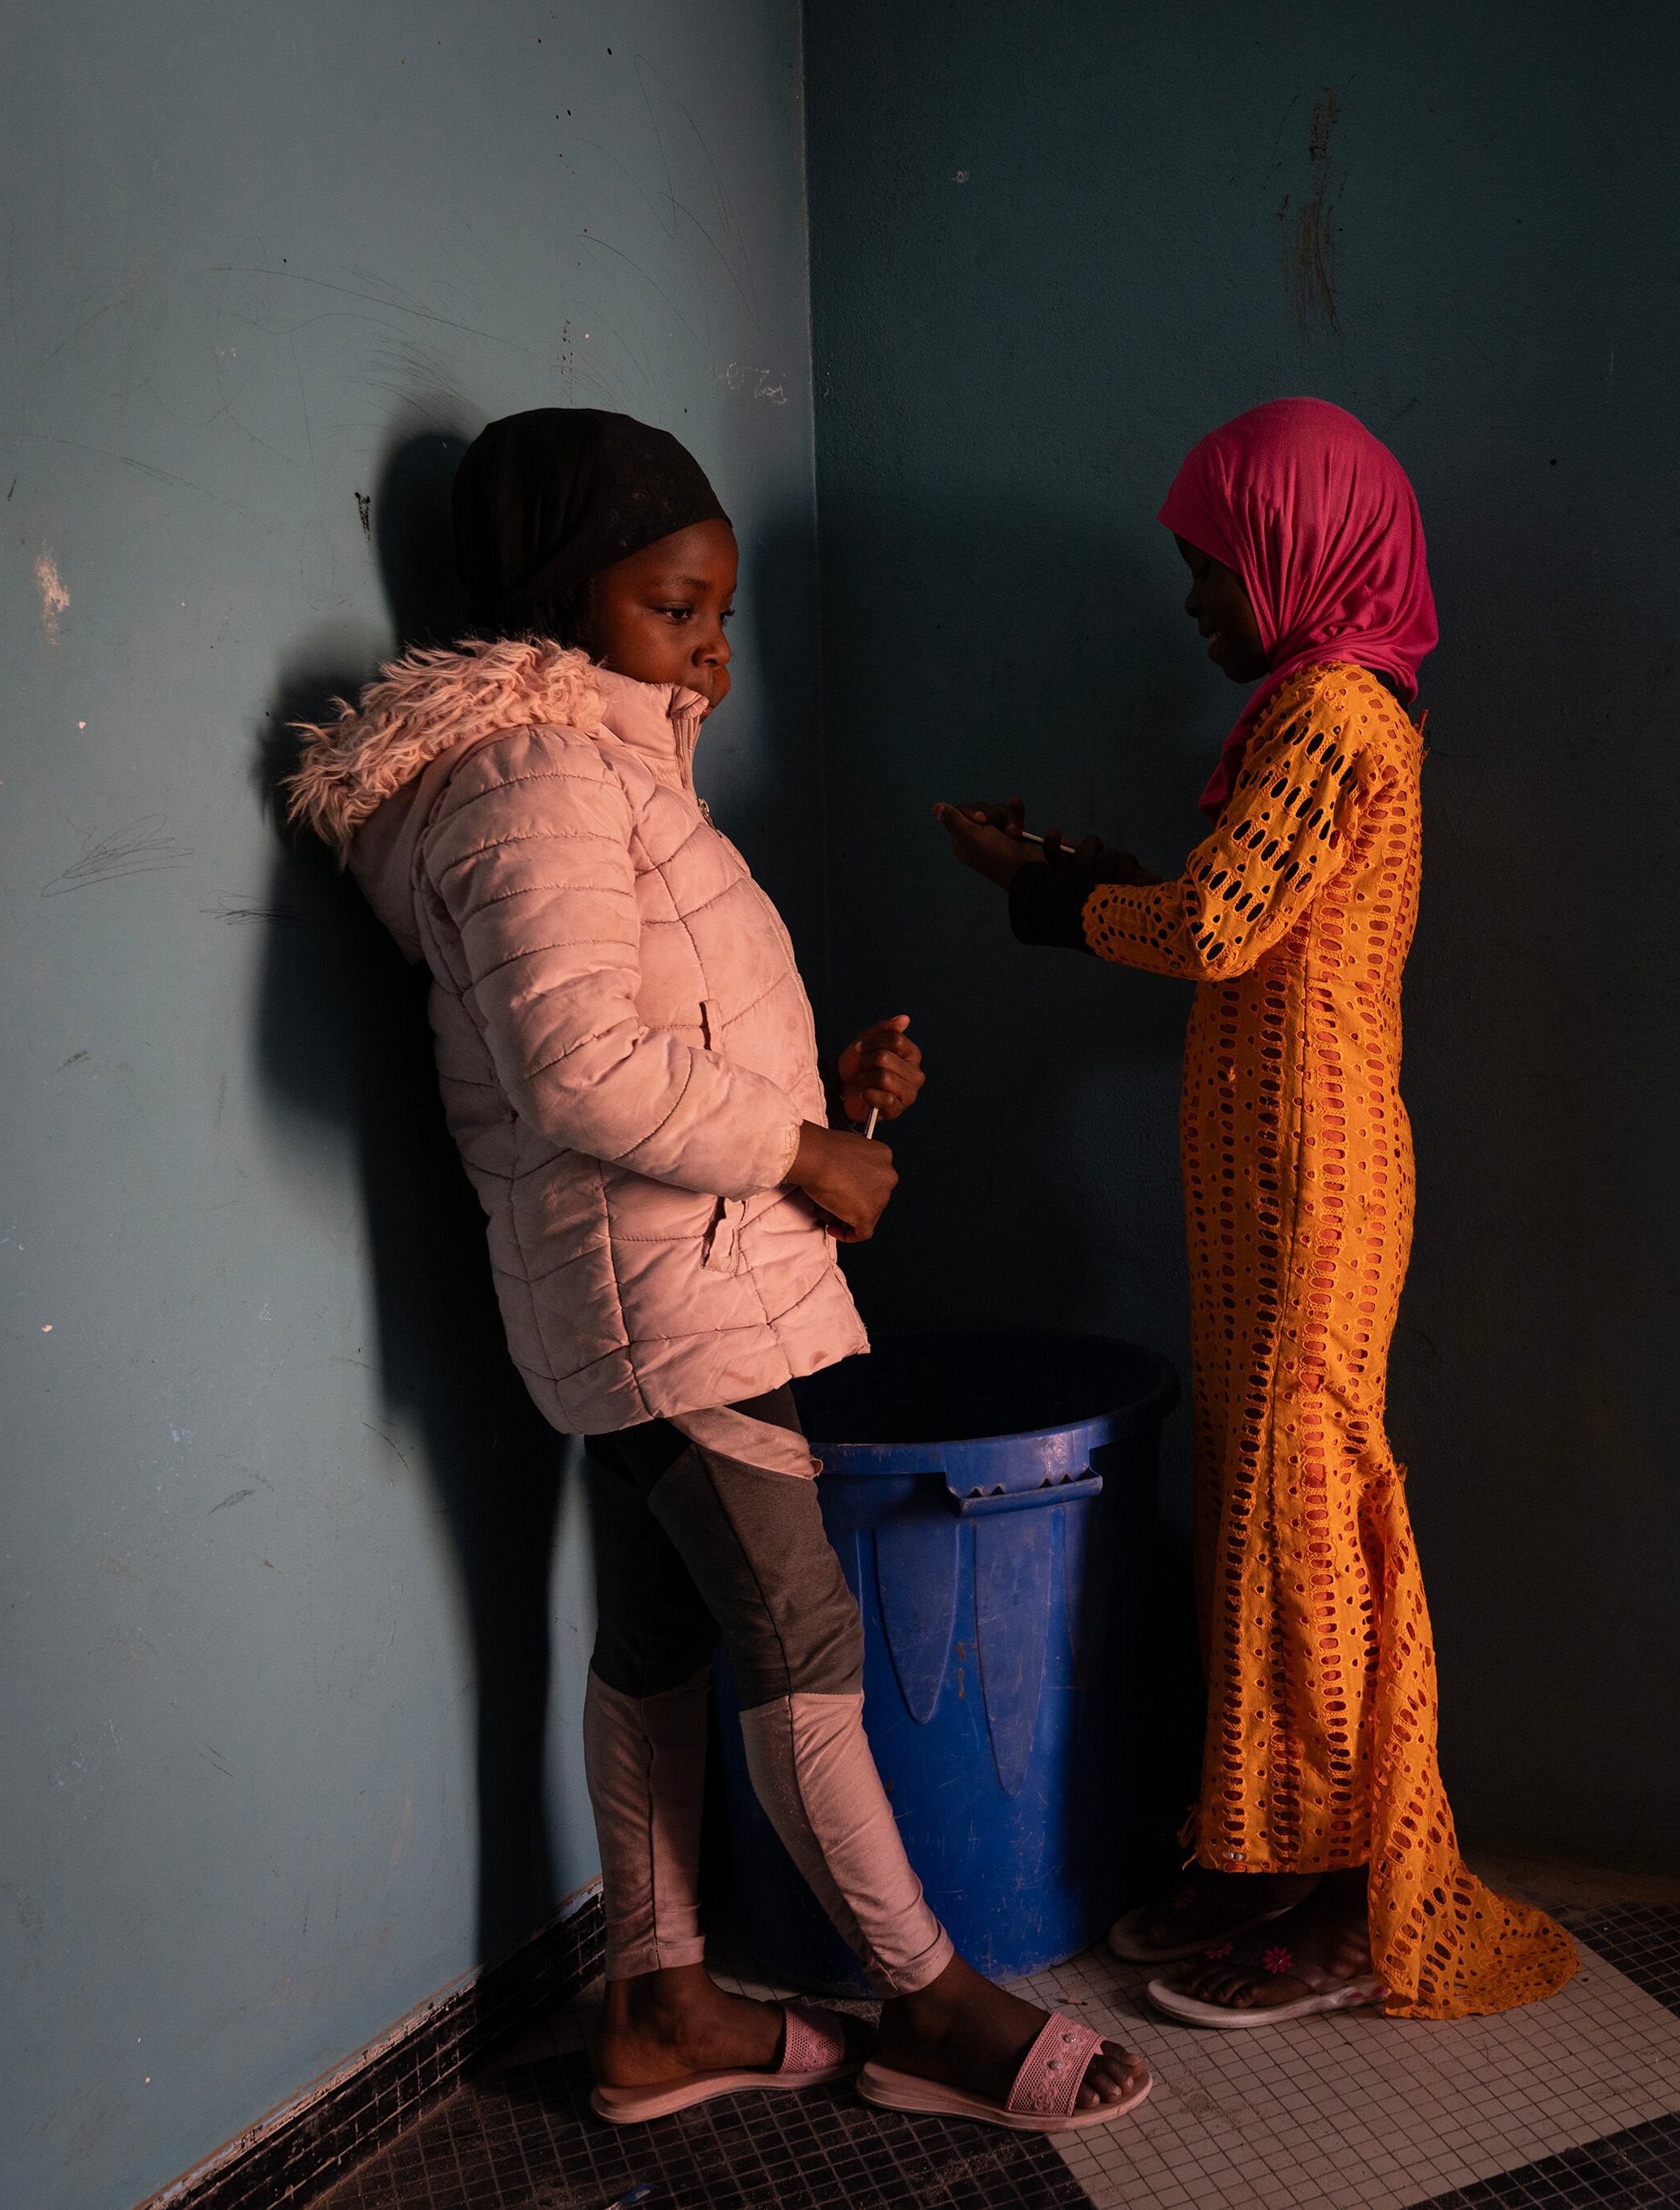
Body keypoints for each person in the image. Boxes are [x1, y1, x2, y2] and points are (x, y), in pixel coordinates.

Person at [285, 408, 1152, 2132]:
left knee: (661, 1635)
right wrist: (805, 1156)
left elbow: (637, 1038)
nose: (712, 646)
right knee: (798, 1635)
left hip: (677, 1276)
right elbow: (581, 1075)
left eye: (722, 610)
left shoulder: (603, 771)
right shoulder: (529, 781)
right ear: (564, 594)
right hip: (663, 1300)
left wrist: (827, 1096)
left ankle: (662, 2004)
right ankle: (931, 2002)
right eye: (676, 605)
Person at [935, 396, 1579, 2027]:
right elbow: (1253, 910)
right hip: (1282, 1184)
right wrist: (1082, 871)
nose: (1197, 603)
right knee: (1269, 1516)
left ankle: (1358, 1888)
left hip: (1316, 1186)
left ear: (1301, 555)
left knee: (1307, 1524)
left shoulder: (1336, 717)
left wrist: (1040, 891)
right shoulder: (1315, 715)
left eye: (1214, 568)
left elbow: (1219, 924)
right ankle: (1272, 1846)